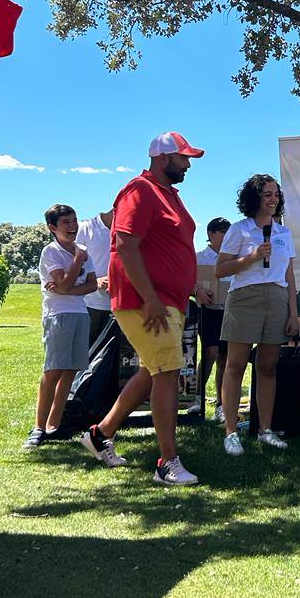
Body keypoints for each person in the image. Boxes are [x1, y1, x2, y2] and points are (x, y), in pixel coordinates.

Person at [80, 132, 204, 486]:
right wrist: (149, 297)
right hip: (147, 301)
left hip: (167, 300)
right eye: (184, 158)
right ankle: (167, 463)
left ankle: (101, 434)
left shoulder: (168, 195)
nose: (188, 164)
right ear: (163, 158)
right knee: (166, 372)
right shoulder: (140, 190)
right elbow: (125, 245)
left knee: (153, 370)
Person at [215, 175, 299, 455]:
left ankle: (265, 430)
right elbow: (221, 270)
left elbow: (289, 274)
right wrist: (251, 257)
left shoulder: (284, 233)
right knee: (236, 365)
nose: (273, 199)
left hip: (276, 298)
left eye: (276, 194)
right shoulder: (239, 230)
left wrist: (293, 312)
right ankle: (231, 431)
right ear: (254, 198)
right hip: (244, 298)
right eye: (267, 195)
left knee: (267, 366)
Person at [24, 205, 97, 448]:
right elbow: (65, 283)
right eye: (66, 222)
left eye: (75, 220)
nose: (73, 226)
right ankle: (38, 428)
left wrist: (69, 289)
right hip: (58, 315)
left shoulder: (85, 251)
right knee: (53, 370)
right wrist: (77, 261)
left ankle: (53, 426)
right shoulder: (51, 252)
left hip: (80, 314)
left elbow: (92, 285)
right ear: (52, 228)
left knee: (71, 371)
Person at [191, 216, 232, 421]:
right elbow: (187, 281)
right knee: (211, 352)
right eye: (223, 232)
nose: (226, 236)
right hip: (208, 311)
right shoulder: (198, 257)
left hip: (230, 311)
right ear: (211, 234)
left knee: (225, 357)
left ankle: (221, 404)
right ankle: (197, 398)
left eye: (228, 232)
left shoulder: (234, 257)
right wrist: (197, 290)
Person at [76, 209, 114, 346]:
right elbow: (68, 265)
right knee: (83, 356)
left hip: (122, 308)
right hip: (89, 305)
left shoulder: (130, 233)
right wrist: (95, 281)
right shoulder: (85, 228)